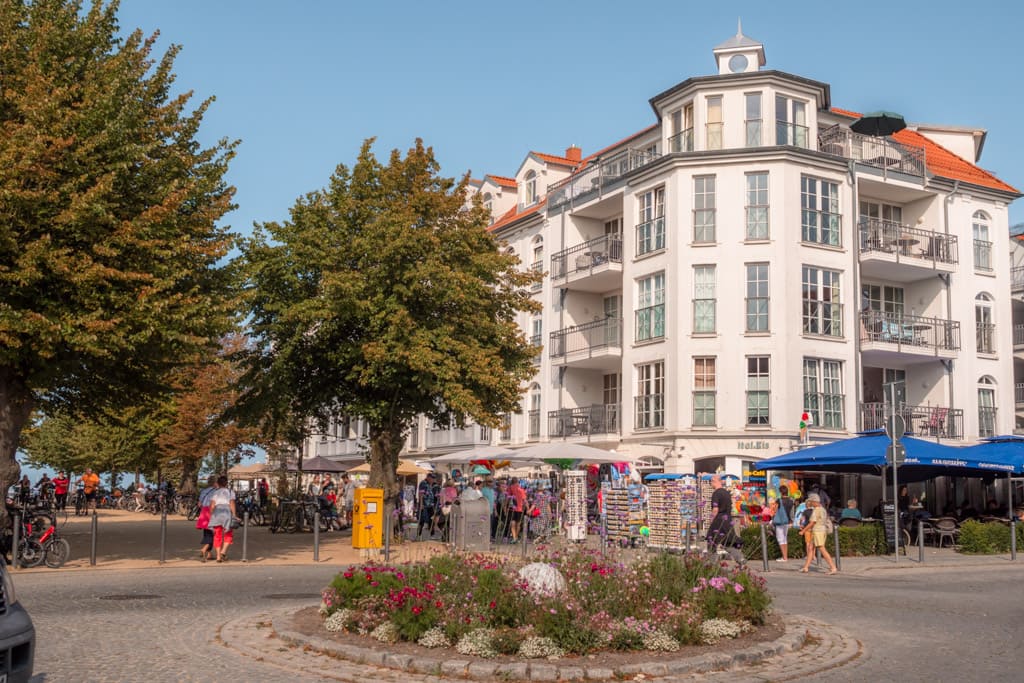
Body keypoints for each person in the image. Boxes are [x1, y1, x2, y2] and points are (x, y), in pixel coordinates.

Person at [800, 493, 838, 575]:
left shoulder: (817, 510)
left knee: (822, 549)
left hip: (818, 531)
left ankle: (833, 567)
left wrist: (803, 531)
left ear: (814, 501)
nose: (810, 503)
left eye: (810, 501)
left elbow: (812, 522)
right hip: (821, 530)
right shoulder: (822, 509)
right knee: (810, 548)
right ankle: (806, 567)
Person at [207, 475, 237, 563]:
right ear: (226, 483)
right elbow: (232, 503)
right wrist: (234, 515)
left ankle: (218, 556)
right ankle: (223, 551)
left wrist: (211, 515)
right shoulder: (230, 492)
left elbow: (212, 505)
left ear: (218, 483)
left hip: (217, 513)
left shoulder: (215, 492)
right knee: (228, 533)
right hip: (227, 512)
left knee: (217, 535)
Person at [705, 474, 734, 553]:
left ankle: (712, 562)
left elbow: (715, 509)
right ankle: (739, 558)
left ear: (714, 481)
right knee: (728, 541)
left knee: (711, 541)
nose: (710, 483)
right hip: (728, 519)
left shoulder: (716, 493)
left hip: (718, 520)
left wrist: (711, 519)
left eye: (711, 481)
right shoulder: (727, 493)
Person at [196, 475, 216, 562]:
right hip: (212, 511)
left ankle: (209, 554)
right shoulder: (216, 491)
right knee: (213, 532)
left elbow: (199, 504)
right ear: (215, 483)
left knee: (207, 532)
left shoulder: (204, 491)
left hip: (204, 512)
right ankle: (204, 549)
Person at [772, 485, 795, 562]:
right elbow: (792, 512)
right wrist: (792, 520)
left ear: (781, 492)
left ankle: (784, 557)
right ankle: (785, 556)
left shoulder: (779, 500)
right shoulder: (791, 501)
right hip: (787, 521)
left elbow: (774, 511)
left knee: (780, 539)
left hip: (780, 521)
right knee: (784, 539)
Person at [416, 472, 439, 539]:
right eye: (432, 478)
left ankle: (432, 534)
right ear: (428, 477)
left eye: (433, 478)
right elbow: (421, 494)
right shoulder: (423, 483)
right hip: (424, 505)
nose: (433, 479)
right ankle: (419, 535)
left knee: (431, 519)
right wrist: (421, 504)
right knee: (422, 520)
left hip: (430, 505)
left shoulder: (430, 484)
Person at [508, 478, 527, 543]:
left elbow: (508, 497)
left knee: (512, 523)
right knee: (518, 524)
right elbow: (524, 500)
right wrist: (528, 508)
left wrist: (505, 507)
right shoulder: (521, 489)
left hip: (512, 508)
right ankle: (516, 537)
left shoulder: (510, 488)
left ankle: (514, 538)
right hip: (520, 509)